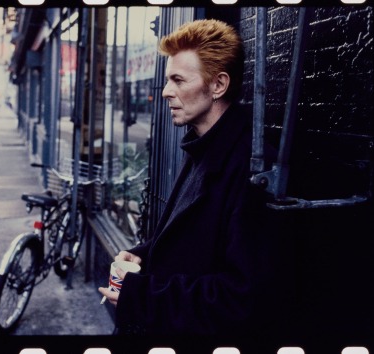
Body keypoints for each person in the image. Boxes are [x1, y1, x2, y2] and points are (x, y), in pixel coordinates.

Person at [98, 19, 294, 335]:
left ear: (218, 85)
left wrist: (143, 297)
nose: (165, 92)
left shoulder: (252, 169)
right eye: (167, 80)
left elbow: (242, 298)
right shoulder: (205, 145)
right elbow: (191, 241)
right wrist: (143, 254)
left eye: (178, 80)